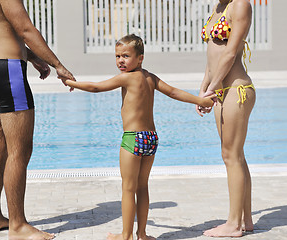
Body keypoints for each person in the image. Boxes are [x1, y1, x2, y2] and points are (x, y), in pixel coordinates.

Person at [63, 34, 215, 240]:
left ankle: (125, 236)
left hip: (133, 138)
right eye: (117, 56)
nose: (120, 61)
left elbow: (96, 87)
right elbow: (172, 92)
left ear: (140, 58)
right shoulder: (150, 78)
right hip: (151, 138)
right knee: (142, 186)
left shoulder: (126, 78)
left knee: (128, 188)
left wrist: (73, 83)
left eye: (126, 56)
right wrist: (200, 100)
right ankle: (142, 234)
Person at [0, 0, 75, 239]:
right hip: (8, 73)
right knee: (19, 151)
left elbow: (5, 30)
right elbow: (25, 29)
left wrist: (31, 57)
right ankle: (18, 225)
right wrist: (58, 65)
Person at [197, 0, 255, 237]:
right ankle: (246, 220)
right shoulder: (218, 8)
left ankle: (233, 224)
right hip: (220, 89)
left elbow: (230, 53)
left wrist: (212, 87)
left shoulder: (240, 5)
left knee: (231, 156)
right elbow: (213, 55)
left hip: (236, 89)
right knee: (236, 156)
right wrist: (203, 89)